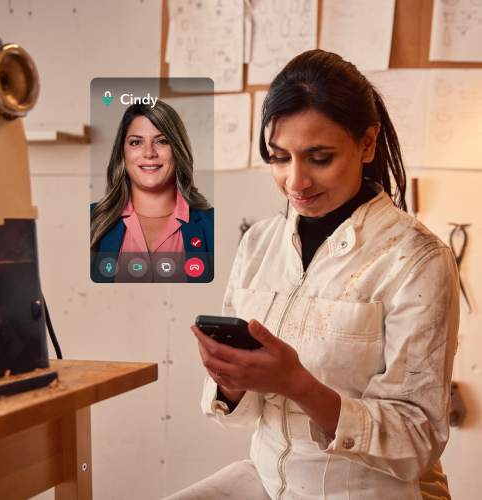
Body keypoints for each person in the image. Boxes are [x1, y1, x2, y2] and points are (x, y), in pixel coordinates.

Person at [165, 50, 460, 500]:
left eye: (319, 158)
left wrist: (297, 385)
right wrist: (232, 379)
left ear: (367, 143)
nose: (295, 182)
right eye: (279, 157)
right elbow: (239, 414)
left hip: (369, 490)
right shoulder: (259, 244)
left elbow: (416, 439)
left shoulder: (417, 259)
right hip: (267, 478)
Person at [90, 101, 213, 283]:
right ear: (122, 153)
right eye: (136, 142)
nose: (149, 153)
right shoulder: (91, 219)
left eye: (161, 141)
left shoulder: (212, 225)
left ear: (178, 150)